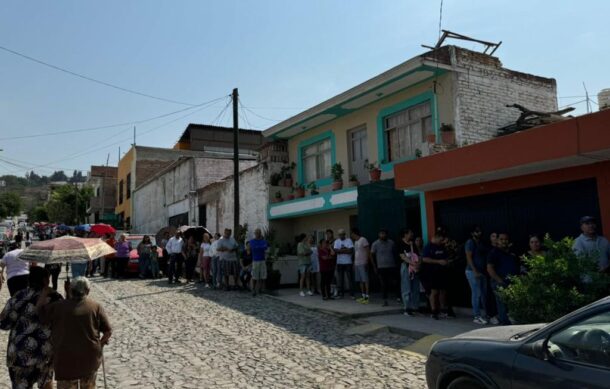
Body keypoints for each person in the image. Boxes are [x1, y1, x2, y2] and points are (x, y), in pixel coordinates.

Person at [38, 277, 112, 388]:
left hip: (65, 358)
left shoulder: (58, 306)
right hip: (89, 358)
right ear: (88, 290)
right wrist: (100, 344)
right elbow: (108, 331)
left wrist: (44, 294)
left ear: (71, 290)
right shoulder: (95, 307)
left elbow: (41, 314)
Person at [0, 267, 63, 389]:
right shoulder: (55, 297)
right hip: (45, 353)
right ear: (45, 280)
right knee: (46, 385)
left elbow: (4, 323)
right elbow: (63, 322)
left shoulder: (19, 296)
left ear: (29, 280)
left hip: (20, 354)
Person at [487, 232, 519, 325]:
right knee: (502, 305)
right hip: (499, 283)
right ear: (497, 240)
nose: (504, 241)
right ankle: (504, 325)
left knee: (511, 304)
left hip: (511, 282)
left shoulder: (511, 253)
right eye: (501, 239)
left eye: (506, 239)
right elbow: (489, 268)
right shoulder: (493, 253)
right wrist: (499, 281)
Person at [421, 232, 451, 320]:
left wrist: (447, 262)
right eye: (440, 240)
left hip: (442, 272)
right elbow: (425, 259)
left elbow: (446, 256)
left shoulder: (442, 247)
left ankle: (442, 309)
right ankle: (433, 311)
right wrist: (438, 262)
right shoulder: (428, 247)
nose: (441, 242)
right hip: (432, 272)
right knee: (434, 292)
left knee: (443, 291)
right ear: (435, 238)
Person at [464, 225, 489, 325]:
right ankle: (477, 316)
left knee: (483, 294)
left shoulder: (481, 243)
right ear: (472, 233)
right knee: (476, 293)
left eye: (480, 231)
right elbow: (468, 257)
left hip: (482, 271)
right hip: (472, 271)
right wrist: (474, 271)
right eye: (477, 231)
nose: (479, 233)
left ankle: (485, 314)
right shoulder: (470, 242)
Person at [371, 229, 397, 307]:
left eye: (384, 234)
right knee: (383, 283)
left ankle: (398, 297)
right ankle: (385, 300)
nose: (383, 235)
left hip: (392, 265)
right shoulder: (375, 244)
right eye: (381, 234)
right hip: (381, 266)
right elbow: (371, 255)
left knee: (394, 282)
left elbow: (395, 253)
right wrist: (374, 266)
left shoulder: (391, 242)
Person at [399, 229, 421, 316]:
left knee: (415, 287)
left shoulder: (413, 244)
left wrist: (418, 264)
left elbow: (417, 255)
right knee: (406, 287)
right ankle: (407, 308)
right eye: (410, 233)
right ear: (405, 234)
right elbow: (402, 256)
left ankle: (415, 307)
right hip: (406, 266)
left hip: (415, 267)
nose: (412, 235)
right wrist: (412, 263)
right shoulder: (400, 243)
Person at [333, 229, 354, 299]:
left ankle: (351, 294)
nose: (341, 236)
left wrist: (341, 251)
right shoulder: (337, 241)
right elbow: (336, 251)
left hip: (348, 262)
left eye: (342, 234)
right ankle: (341, 294)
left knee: (350, 278)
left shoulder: (349, 240)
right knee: (340, 279)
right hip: (339, 262)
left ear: (344, 234)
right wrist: (346, 250)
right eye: (339, 234)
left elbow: (351, 250)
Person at [351, 228, 370, 304]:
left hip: (363, 263)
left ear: (355, 233)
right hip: (357, 263)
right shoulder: (355, 242)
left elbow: (368, 251)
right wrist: (354, 263)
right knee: (360, 281)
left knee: (365, 280)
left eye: (352, 234)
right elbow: (356, 253)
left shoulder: (363, 239)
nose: (351, 235)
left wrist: (366, 261)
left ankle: (367, 297)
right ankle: (363, 296)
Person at [249, 228, 268, 296]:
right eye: (256, 233)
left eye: (259, 232)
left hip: (262, 260)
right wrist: (260, 247)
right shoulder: (252, 241)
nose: (258, 234)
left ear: (260, 233)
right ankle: (253, 289)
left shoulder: (264, 241)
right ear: (255, 233)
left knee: (263, 275)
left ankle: (262, 289)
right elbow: (253, 248)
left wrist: (258, 247)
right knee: (254, 276)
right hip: (255, 260)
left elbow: (265, 247)